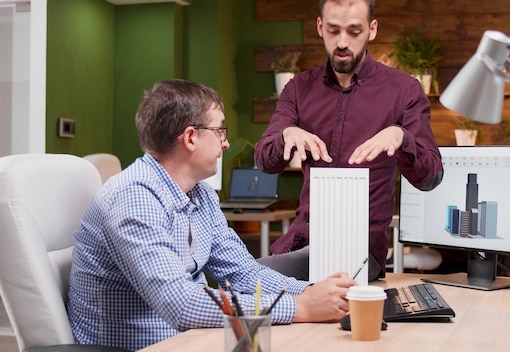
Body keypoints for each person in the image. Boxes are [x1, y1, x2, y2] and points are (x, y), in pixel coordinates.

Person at [67, 79, 356, 351]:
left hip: (191, 339)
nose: (225, 143)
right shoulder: (134, 197)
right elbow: (180, 303)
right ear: (191, 137)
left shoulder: (200, 194)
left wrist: (317, 292)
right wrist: (301, 307)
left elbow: (243, 273)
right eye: (220, 131)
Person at [255, 0, 444, 281]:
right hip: (303, 241)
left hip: (361, 251)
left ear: (372, 29)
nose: (342, 42)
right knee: (246, 281)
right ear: (320, 27)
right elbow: (264, 162)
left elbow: (430, 177)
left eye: (354, 31)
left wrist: (401, 137)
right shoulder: (298, 89)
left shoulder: (404, 91)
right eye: (333, 30)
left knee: (260, 280)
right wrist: (286, 135)